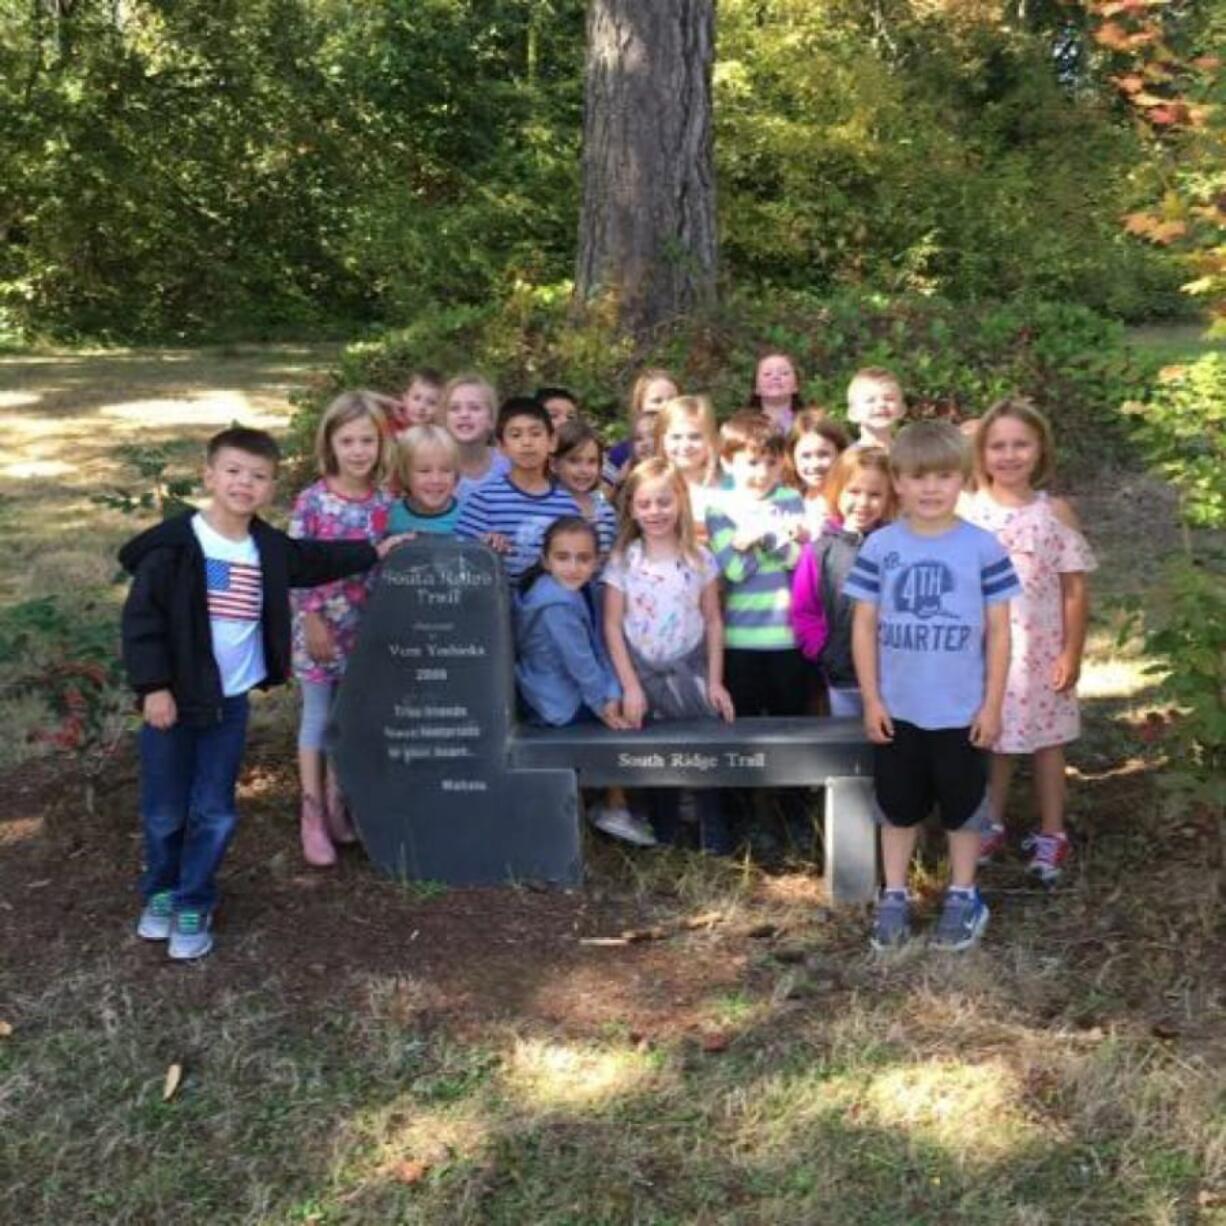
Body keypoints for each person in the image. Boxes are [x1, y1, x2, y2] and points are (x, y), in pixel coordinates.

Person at [119, 425, 407, 959]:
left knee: (214, 808)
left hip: (227, 704)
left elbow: (316, 559)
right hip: (173, 702)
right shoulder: (177, 548)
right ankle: (160, 891)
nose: (243, 484)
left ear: (271, 487)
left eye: (257, 476)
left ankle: (194, 900)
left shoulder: (266, 547)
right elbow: (142, 623)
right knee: (164, 808)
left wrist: (374, 550)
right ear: (208, 476)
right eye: (232, 472)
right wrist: (153, 687)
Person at [845, 420, 1021, 952]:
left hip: (961, 709)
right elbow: (863, 626)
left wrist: (991, 705)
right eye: (918, 477)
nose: (930, 489)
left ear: (964, 480)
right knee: (897, 807)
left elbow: (999, 631)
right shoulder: (881, 547)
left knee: (965, 809)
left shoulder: (982, 548)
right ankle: (894, 895)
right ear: (897, 481)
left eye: (944, 476)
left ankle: (964, 895)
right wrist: (873, 698)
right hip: (898, 708)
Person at [962, 397, 1096, 883]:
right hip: (985, 651)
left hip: (1040, 650)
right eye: (998, 445)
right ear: (981, 453)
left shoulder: (1054, 511)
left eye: (1021, 444)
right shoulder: (967, 511)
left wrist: (1072, 652)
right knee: (992, 738)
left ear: (1040, 449)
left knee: (1046, 742)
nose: (1010, 455)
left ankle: (1053, 833)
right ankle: (989, 823)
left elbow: (1075, 588)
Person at [603, 459, 734, 852]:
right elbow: (612, 625)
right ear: (632, 508)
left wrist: (714, 681)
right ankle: (665, 840)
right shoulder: (624, 560)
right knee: (655, 758)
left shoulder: (700, 558)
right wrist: (629, 686)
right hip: (643, 672)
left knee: (705, 754)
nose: (655, 511)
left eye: (663, 501)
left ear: (680, 501)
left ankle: (714, 841)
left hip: (690, 666)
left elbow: (712, 620)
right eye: (645, 503)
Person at [288, 392, 397, 867]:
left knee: (350, 715)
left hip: (367, 627)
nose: (358, 451)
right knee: (318, 714)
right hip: (320, 623)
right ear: (330, 444)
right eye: (347, 440)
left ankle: (338, 799)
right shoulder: (313, 500)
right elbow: (294, 564)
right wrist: (311, 617)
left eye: (367, 440)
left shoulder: (386, 501)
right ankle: (310, 810)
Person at [790, 447, 895, 718]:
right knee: (849, 750)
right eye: (854, 492)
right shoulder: (819, 550)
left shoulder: (899, 547)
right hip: (842, 677)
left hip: (892, 677)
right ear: (837, 491)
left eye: (874, 495)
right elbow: (804, 610)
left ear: (889, 498)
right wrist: (823, 650)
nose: (863, 502)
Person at [455, 397, 581, 582]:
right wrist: (483, 547)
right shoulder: (484, 500)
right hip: (493, 600)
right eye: (516, 435)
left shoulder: (567, 506)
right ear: (502, 446)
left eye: (535, 433)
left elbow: (576, 561)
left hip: (548, 600)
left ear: (552, 441)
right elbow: (457, 557)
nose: (527, 442)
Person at [514, 517, 624, 730]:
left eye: (583, 559)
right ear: (546, 560)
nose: (572, 568)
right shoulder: (557, 604)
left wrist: (613, 690)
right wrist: (604, 705)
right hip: (559, 703)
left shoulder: (581, 590)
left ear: (597, 562)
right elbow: (581, 662)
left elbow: (597, 645)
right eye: (562, 558)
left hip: (558, 690)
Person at [551, 419, 618, 560]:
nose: (584, 470)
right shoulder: (547, 506)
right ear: (554, 464)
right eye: (574, 461)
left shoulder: (606, 511)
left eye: (592, 461)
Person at [602, 368, 680, 489]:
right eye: (657, 401)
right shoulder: (621, 454)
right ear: (640, 405)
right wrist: (621, 482)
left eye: (672, 399)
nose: (666, 406)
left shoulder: (686, 450)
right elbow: (600, 498)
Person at [656, 394, 723, 530]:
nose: (685, 445)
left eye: (694, 437)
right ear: (662, 441)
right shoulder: (652, 485)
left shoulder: (729, 486)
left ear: (711, 439)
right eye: (676, 437)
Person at [441, 373, 510, 500]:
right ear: (445, 420)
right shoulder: (432, 468)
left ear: (491, 420)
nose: (464, 414)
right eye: (455, 408)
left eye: (474, 408)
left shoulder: (509, 466)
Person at [388, 424, 462, 535]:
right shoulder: (389, 516)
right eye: (424, 471)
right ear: (405, 474)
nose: (436, 480)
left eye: (445, 470)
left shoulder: (468, 516)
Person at [786, 409, 849, 538]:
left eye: (823, 454)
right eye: (806, 456)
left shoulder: (848, 501)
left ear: (840, 454)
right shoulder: (788, 501)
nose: (815, 464)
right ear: (793, 458)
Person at [847, 366, 906, 450]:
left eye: (889, 399)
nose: (881, 404)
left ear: (902, 409)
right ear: (853, 413)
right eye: (870, 400)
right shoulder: (849, 459)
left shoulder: (907, 455)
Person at [748, 349, 804, 436]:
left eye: (784, 373)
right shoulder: (742, 427)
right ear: (756, 388)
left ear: (796, 386)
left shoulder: (809, 425)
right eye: (767, 374)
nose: (775, 377)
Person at [388, 368, 444, 438]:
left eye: (431, 403)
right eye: (416, 398)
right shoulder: (392, 426)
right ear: (405, 398)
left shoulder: (435, 436)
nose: (421, 407)